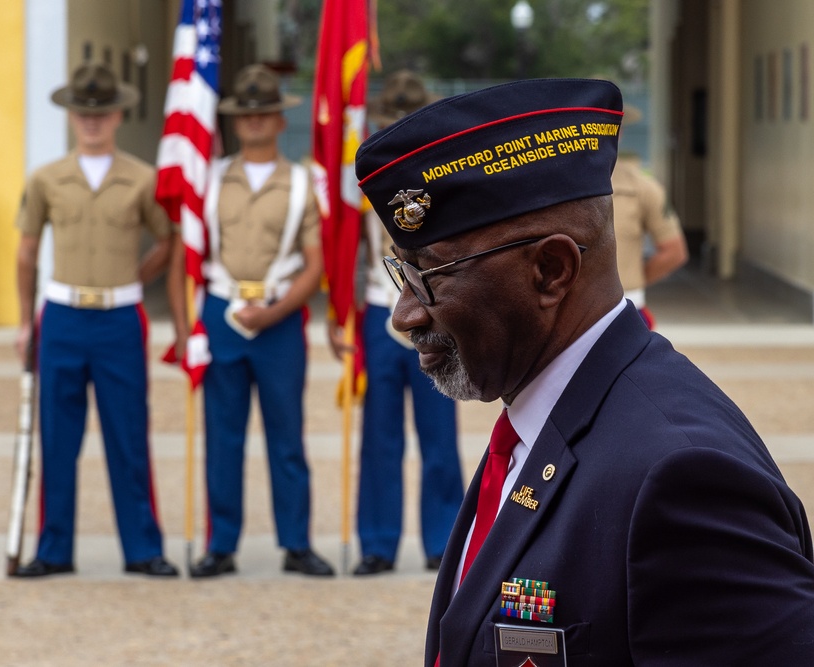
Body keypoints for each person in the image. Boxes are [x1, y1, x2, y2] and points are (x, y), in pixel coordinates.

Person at [354, 78, 814, 664]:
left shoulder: (680, 475)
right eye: (402, 273)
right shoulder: (547, 418)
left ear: (550, 271)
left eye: (432, 275)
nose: (406, 314)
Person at [12, 62, 182, 578]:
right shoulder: (46, 179)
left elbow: (167, 240)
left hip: (118, 319)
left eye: (102, 112)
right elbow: (25, 252)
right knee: (57, 439)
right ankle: (53, 550)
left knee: (128, 435)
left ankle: (143, 548)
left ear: (117, 115)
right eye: (84, 112)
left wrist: (135, 273)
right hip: (61, 315)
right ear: (71, 116)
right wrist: (25, 322)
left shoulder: (141, 177)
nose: (92, 121)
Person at [187, 65, 333, 578]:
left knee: (287, 436)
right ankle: (220, 545)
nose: (254, 121)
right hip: (221, 312)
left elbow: (314, 262)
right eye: (245, 114)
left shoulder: (299, 182)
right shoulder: (208, 178)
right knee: (222, 436)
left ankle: (296, 544)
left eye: (263, 112)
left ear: (277, 119)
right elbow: (193, 251)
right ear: (234, 121)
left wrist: (274, 310)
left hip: (280, 319)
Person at [328, 70, 463, 575]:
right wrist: (342, 312)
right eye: (394, 120)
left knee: (438, 433)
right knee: (379, 435)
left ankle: (442, 539)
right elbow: (352, 247)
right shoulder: (364, 177)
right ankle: (378, 543)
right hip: (379, 310)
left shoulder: (444, 174)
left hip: (434, 310)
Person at [612, 106, 688, 329]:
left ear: (621, 131)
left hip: (625, 310)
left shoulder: (643, 188)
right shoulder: (555, 186)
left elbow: (674, 251)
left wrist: (631, 281)